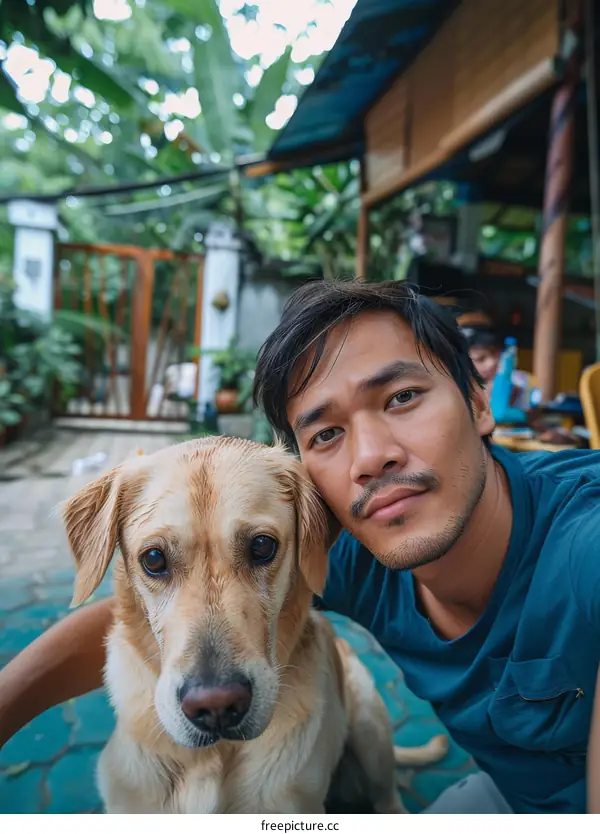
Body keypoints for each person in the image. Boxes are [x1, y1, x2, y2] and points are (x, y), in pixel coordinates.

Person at [2, 279, 600, 814]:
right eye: (327, 432)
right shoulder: (349, 541)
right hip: (510, 795)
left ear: (477, 400)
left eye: (401, 398)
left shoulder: (584, 546)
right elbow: (129, 614)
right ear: (310, 473)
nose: (370, 457)